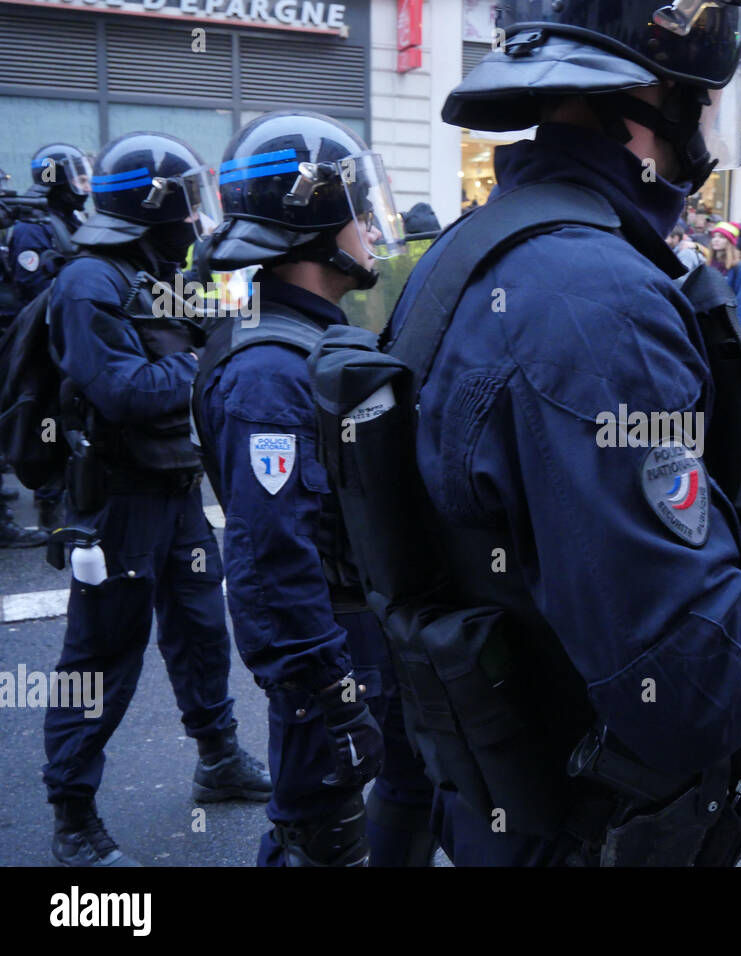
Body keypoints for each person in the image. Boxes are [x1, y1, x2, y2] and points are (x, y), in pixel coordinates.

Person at [372, 0, 741, 866]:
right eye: (703, 101)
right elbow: (694, 679)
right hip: (581, 822)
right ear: (653, 95)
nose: (706, 126)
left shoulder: (472, 250)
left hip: (503, 794)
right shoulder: (596, 298)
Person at [193, 111, 437, 867]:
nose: (370, 226)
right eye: (357, 208)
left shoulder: (308, 336)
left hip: (366, 625)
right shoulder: (270, 370)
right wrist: (322, 691)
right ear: (315, 223)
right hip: (330, 642)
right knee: (319, 835)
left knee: (410, 786)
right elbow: (269, 559)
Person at [43, 131, 270, 867]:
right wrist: (212, 362)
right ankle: (73, 817)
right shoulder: (89, 284)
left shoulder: (153, 271)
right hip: (116, 502)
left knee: (203, 631)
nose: (195, 220)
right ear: (154, 207)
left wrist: (236, 298)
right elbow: (124, 392)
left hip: (176, 490)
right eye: (186, 205)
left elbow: (218, 325)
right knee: (102, 657)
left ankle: (218, 760)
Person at [2, 144, 93, 536]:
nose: (83, 184)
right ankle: (50, 505)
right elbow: (31, 286)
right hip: (43, 343)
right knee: (47, 420)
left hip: (68, 337)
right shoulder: (32, 227)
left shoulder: (70, 219)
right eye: (78, 175)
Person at [708, 220, 741, 321]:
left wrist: (738, 333)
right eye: (714, 236)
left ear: (730, 242)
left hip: (728, 324)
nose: (716, 240)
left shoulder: (740, 270)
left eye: (721, 237)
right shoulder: (708, 266)